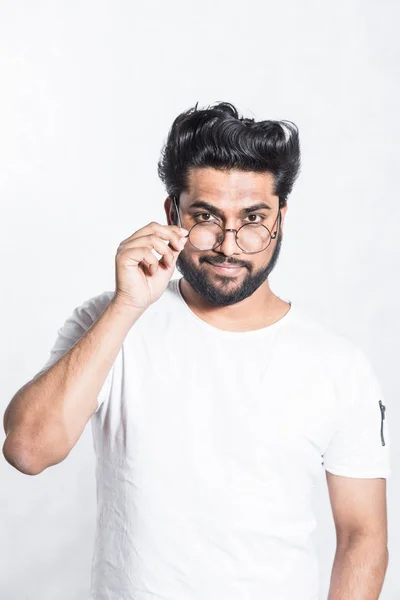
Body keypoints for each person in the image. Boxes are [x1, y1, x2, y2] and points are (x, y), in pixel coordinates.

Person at [3, 101, 391, 600]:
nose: (229, 246)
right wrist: (127, 305)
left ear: (281, 218)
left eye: (253, 219)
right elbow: (28, 450)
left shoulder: (338, 368)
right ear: (172, 214)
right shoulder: (108, 323)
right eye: (206, 217)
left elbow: (363, 536)